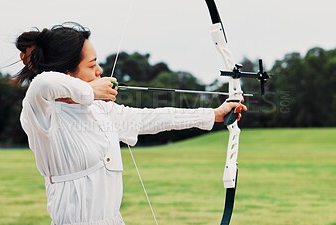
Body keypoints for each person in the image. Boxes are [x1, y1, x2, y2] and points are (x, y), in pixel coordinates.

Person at [15, 22, 246, 225]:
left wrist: (214, 114)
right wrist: (89, 90)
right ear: (67, 72)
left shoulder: (99, 109)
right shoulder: (43, 112)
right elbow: (43, 83)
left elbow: (154, 118)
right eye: (91, 65)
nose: (100, 71)